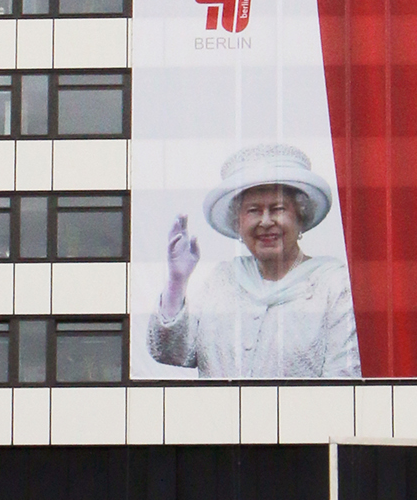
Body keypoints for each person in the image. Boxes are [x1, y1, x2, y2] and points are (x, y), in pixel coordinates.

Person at [147, 143, 361, 381]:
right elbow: (169, 352)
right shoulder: (222, 280)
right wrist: (177, 282)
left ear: (300, 217)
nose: (266, 221)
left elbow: (345, 376)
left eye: (278, 209)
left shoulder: (333, 282)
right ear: (238, 223)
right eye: (253, 211)